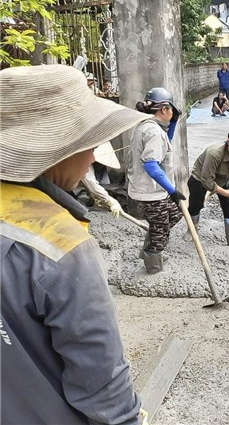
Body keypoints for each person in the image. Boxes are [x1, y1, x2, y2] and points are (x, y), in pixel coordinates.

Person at [0, 64, 149, 424]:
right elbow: (105, 393)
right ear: (59, 150)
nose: (94, 156)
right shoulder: (62, 248)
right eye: (91, 143)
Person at [128, 87, 185, 274]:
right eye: (171, 110)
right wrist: (172, 190)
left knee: (175, 215)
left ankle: (150, 250)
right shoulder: (153, 132)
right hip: (151, 191)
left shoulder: (147, 126)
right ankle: (153, 266)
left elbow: (164, 143)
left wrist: (174, 122)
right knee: (160, 228)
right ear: (164, 109)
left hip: (155, 188)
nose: (172, 113)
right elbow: (151, 165)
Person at [80, 141, 124, 217]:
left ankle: (97, 198)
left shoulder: (102, 142)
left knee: (101, 187)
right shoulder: (82, 159)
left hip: (98, 147)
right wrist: (111, 201)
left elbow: (103, 183)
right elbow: (90, 182)